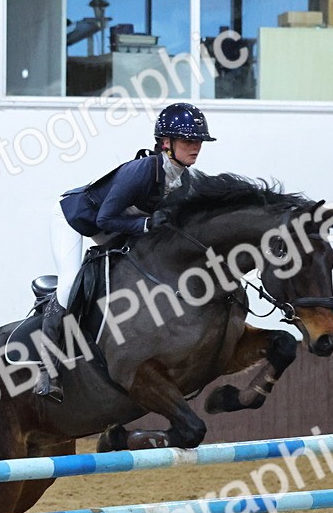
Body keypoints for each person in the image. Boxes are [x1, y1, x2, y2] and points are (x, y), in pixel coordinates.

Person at [36, 102, 216, 401]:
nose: (195, 147)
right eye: (188, 141)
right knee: (69, 281)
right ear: (166, 143)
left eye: (198, 142)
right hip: (75, 219)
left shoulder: (183, 180)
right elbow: (104, 219)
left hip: (116, 224)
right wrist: (146, 224)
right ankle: (47, 367)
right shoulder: (142, 171)